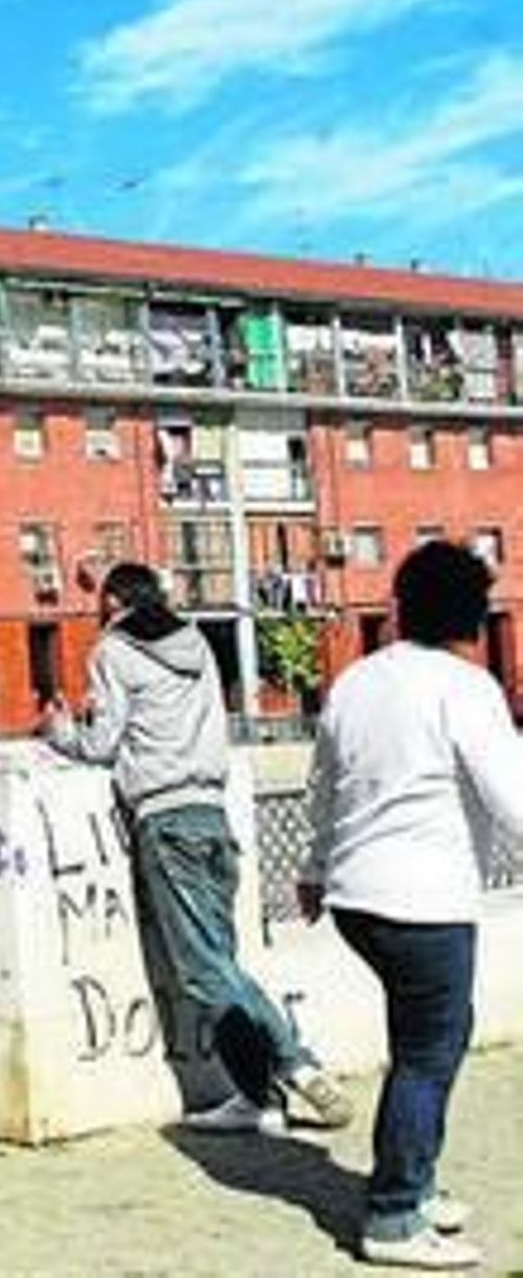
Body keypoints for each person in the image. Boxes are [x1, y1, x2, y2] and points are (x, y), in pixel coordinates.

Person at [40, 562, 351, 1134]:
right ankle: (257, 1099)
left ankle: (296, 1064)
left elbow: (104, 742)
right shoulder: (198, 644)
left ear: (111, 604)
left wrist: (60, 729)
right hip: (213, 813)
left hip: (165, 818)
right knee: (221, 965)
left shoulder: (112, 650)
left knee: (203, 970)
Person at [299, 542, 523, 1270]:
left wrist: (313, 867)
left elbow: (324, 785)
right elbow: (513, 799)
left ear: (400, 608)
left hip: (356, 898)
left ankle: (416, 1183)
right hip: (424, 898)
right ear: (476, 619)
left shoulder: (357, 681)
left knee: (420, 1043)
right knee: (429, 1053)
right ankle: (395, 1214)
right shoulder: (467, 688)